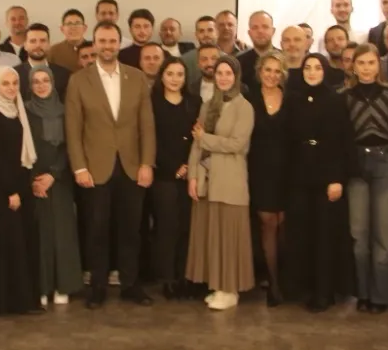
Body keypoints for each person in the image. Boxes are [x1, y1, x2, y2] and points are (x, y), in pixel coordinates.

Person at [65, 21, 156, 309]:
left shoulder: (136, 77)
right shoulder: (79, 80)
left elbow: (146, 125)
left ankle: (130, 284)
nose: (107, 46)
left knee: (131, 230)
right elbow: (73, 128)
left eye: (112, 41)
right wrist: (79, 167)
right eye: (102, 41)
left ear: (119, 43)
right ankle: (98, 287)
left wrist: (147, 163)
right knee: (97, 230)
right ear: (94, 44)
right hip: (95, 168)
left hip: (131, 166)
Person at [186, 55, 255, 310]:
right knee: (212, 234)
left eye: (228, 73)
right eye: (219, 73)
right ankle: (218, 285)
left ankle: (230, 289)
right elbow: (196, 144)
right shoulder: (208, 105)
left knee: (229, 235)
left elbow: (237, 144)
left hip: (230, 180)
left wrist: (206, 139)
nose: (224, 78)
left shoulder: (243, 107)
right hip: (207, 180)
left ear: (236, 77)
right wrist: (193, 177)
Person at [284, 54, 349, 312]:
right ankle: (304, 288)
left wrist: (337, 178)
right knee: (302, 233)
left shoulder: (335, 100)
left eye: (317, 68)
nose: (312, 72)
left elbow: (342, 142)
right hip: (299, 174)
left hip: (326, 174)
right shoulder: (294, 99)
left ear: (325, 71)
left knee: (324, 235)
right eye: (307, 68)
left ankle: (325, 292)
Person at [0, 67, 42, 315]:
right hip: (3, 189)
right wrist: (10, 191)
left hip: (21, 184)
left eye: (14, 83)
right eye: (5, 83)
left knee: (24, 242)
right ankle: (11, 302)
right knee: (10, 244)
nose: (11, 88)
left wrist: (23, 186)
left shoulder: (18, 112)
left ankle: (26, 299)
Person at [344, 43, 388, 314]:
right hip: (356, 163)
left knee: (384, 235)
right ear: (353, 66)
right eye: (361, 63)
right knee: (358, 235)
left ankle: (381, 295)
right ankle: (362, 293)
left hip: (386, 161)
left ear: (379, 65)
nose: (366, 68)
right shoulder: (344, 96)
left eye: (371, 63)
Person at [26, 66, 83, 305]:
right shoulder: (25, 111)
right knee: (40, 234)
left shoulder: (65, 111)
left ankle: (63, 285)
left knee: (62, 233)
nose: (41, 85)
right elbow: (22, 146)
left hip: (60, 179)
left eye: (45, 81)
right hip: (34, 180)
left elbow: (71, 145)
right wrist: (34, 179)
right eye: (36, 81)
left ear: (52, 83)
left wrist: (54, 174)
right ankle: (42, 286)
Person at [151, 58, 200, 300]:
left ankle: (184, 277)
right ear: (162, 76)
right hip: (164, 175)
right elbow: (151, 139)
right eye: (170, 73)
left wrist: (188, 166)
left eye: (179, 74)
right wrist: (173, 168)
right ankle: (167, 278)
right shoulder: (152, 103)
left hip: (190, 173)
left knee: (187, 228)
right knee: (167, 228)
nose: (174, 79)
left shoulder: (194, 102)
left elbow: (197, 137)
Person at [247, 52, 290, 306]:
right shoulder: (249, 99)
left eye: (277, 71)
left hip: (287, 171)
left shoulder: (291, 99)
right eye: (268, 70)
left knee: (283, 224)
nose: (272, 75)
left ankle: (284, 279)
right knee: (268, 223)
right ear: (259, 71)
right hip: (259, 170)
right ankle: (273, 283)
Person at [16, 24, 72, 100]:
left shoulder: (64, 75)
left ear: (49, 44)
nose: (38, 45)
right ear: (25, 45)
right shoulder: (15, 75)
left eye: (42, 41)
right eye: (33, 41)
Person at [237, 10, 278, 86]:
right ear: (249, 33)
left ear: (273, 31)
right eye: (255, 27)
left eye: (265, 27)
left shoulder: (285, 59)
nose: (260, 31)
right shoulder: (238, 62)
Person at [181, 16, 220, 90]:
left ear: (217, 33)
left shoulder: (227, 59)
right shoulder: (184, 60)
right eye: (201, 31)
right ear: (196, 35)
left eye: (210, 30)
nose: (206, 34)